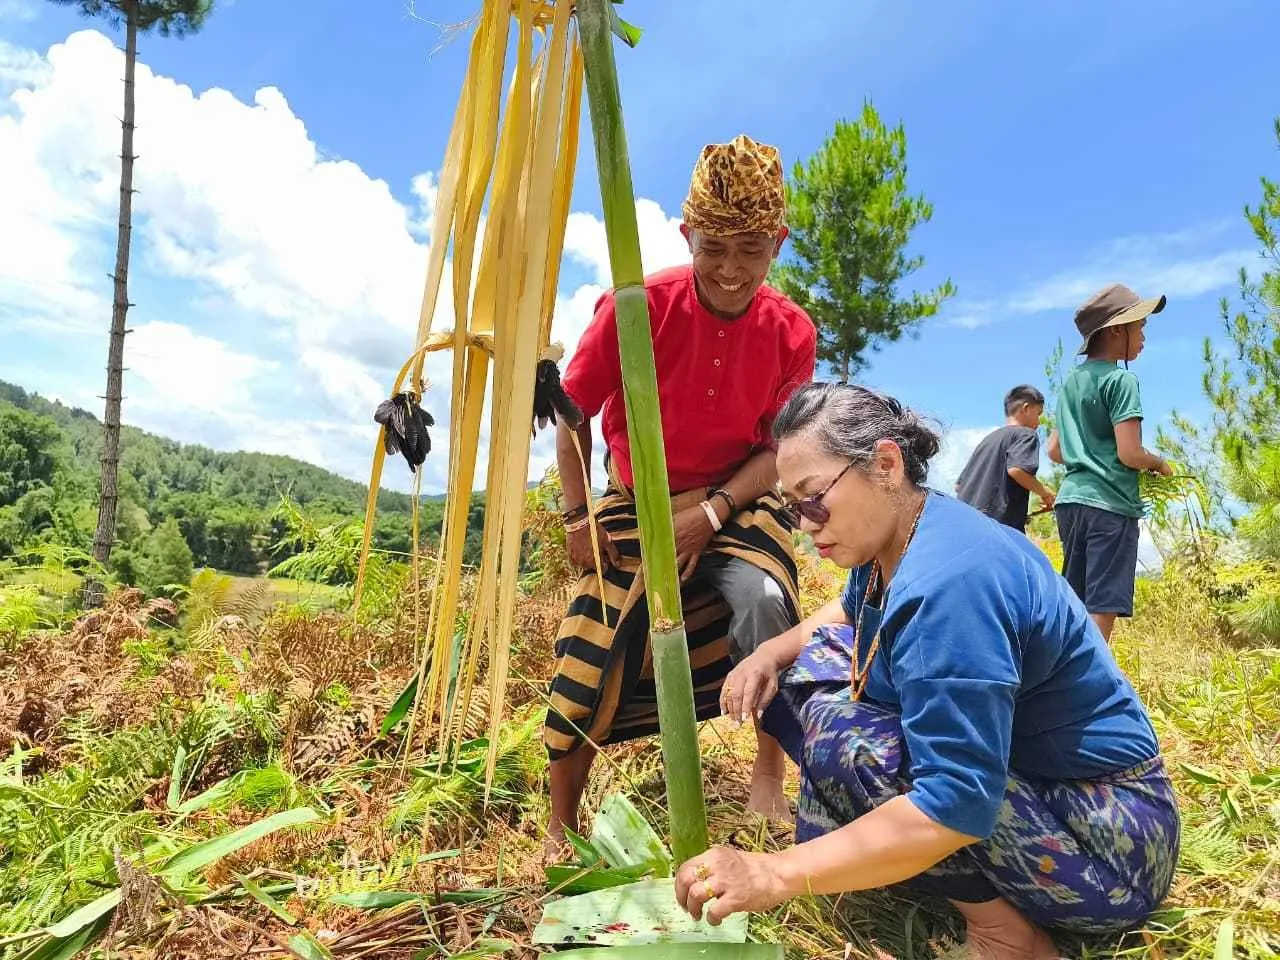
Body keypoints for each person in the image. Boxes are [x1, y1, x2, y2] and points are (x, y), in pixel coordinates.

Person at [674, 383, 1180, 960]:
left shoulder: (951, 584)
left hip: (1110, 847)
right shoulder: (901, 536)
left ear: (886, 465)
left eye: (814, 498)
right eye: (792, 508)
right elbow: (847, 609)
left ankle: (1005, 934)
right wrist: (768, 652)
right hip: (1047, 795)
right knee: (807, 671)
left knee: (852, 743)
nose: (805, 524)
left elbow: (956, 798)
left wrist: (773, 875)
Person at [544, 134, 818, 854]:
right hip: (636, 503)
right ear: (687, 234)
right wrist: (576, 514)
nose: (731, 271)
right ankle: (560, 824)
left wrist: (716, 511)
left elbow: (776, 452)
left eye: (751, 251)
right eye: (714, 248)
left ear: (778, 244)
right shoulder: (639, 308)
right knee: (594, 638)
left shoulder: (791, 332)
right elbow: (569, 414)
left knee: (766, 600)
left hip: (739, 497)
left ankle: (769, 777)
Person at [1047, 284, 1172, 642]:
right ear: (1118, 329)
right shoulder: (1121, 379)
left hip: (1071, 503)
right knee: (1102, 605)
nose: (1144, 336)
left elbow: (1055, 451)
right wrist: (1159, 464)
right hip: (1110, 503)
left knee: (1076, 600)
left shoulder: (1072, 381)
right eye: (1141, 326)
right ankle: (1089, 687)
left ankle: (1062, 679)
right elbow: (1129, 453)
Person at [955, 385, 1055, 532]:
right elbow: (1017, 470)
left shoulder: (987, 440)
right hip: (997, 527)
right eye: (1038, 414)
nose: (1039, 421)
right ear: (1025, 408)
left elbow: (959, 486)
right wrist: (1045, 493)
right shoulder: (1025, 434)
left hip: (965, 522)